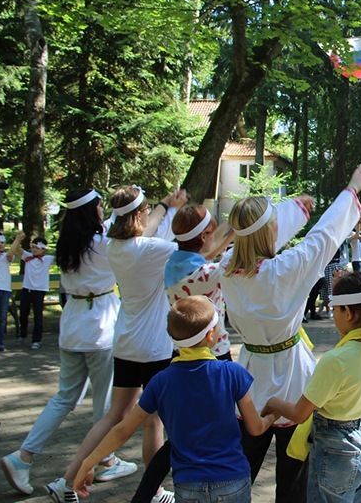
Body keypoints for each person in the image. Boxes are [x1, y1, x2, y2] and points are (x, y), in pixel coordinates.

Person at [221, 164, 361, 502]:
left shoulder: (226, 269)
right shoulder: (285, 269)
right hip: (292, 377)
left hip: (249, 377)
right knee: (294, 475)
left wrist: (295, 210)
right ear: (271, 230)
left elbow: (257, 234)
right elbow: (324, 236)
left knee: (242, 466)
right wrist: (351, 190)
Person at [45, 186, 185, 503]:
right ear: (138, 215)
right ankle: (155, 491)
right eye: (146, 211)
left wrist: (165, 206)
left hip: (125, 343)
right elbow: (192, 250)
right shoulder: (152, 249)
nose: (150, 215)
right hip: (153, 347)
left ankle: (67, 480)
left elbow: (144, 231)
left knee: (113, 416)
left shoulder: (113, 245)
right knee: (154, 420)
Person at [73, 296, 278, 503]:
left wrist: (88, 462)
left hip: (188, 484)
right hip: (232, 480)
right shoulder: (231, 373)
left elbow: (122, 430)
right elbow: (255, 428)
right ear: (210, 335)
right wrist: (272, 416)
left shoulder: (161, 381)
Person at [0, 189, 128, 496]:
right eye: (98, 206)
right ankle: (103, 461)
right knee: (105, 406)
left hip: (71, 328)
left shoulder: (66, 245)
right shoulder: (101, 246)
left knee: (63, 399)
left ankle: (24, 456)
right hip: (99, 330)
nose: (101, 210)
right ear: (90, 211)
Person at [262, 271, 361, 502]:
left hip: (336, 446)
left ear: (348, 312)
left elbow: (299, 414)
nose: (333, 314)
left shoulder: (335, 360)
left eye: (336, 309)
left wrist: (274, 403)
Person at [130, 203, 237, 503]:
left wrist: (228, 234)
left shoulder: (176, 263)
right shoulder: (206, 273)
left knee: (179, 435)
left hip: (181, 357)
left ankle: (145, 493)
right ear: (204, 237)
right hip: (214, 357)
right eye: (212, 233)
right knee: (224, 426)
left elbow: (205, 257)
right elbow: (227, 264)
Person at [19, 236, 55, 349]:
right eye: (33, 247)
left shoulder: (47, 259)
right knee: (23, 314)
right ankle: (22, 335)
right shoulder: (27, 256)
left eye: (37, 248)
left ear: (43, 249)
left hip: (39, 291)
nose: (34, 250)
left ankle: (36, 339)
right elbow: (17, 249)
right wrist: (18, 239)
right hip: (26, 289)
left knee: (38, 315)